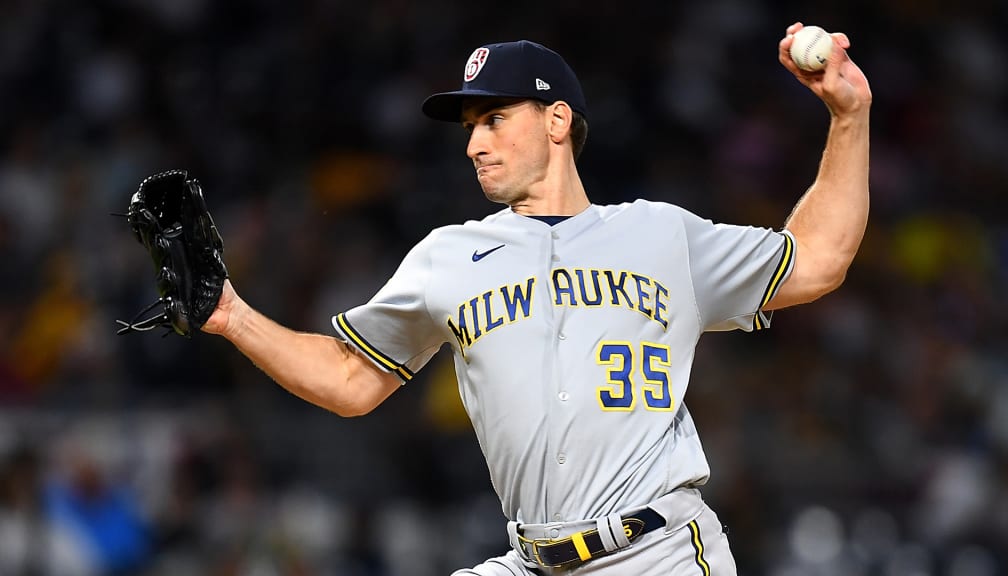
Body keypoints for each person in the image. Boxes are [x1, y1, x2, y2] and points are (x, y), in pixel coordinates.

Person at [201, 22, 871, 575]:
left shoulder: (661, 235)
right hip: (531, 560)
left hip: (655, 554)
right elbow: (350, 380)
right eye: (469, 125)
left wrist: (849, 116)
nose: (474, 143)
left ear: (557, 121)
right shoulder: (448, 256)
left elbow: (818, 259)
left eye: (493, 118)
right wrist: (231, 315)